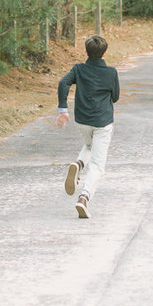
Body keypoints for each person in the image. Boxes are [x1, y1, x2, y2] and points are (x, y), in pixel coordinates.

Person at [56, 34, 120, 219]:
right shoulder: (111, 72)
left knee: (90, 146)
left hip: (83, 120)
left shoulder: (79, 69)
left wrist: (63, 109)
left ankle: (78, 163)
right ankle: (84, 198)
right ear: (105, 53)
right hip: (103, 122)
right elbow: (115, 97)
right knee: (98, 166)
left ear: (85, 51)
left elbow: (63, 83)